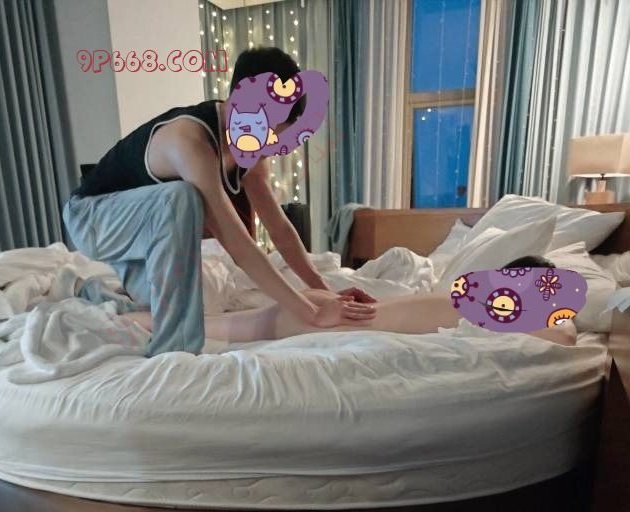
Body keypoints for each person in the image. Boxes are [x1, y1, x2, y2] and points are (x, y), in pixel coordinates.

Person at [62, 47, 376, 358]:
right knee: (181, 198)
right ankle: (174, 352)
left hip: (143, 229)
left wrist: (326, 291)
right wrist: (312, 313)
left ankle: (91, 293)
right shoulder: (188, 140)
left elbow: (279, 229)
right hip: (91, 218)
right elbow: (235, 240)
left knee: (176, 308)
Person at [123, 254, 577, 347]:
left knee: (215, 325)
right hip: (326, 317)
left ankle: (134, 315)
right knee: (214, 328)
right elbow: (564, 335)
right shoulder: (494, 313)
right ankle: (130, 318)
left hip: (329, 309)